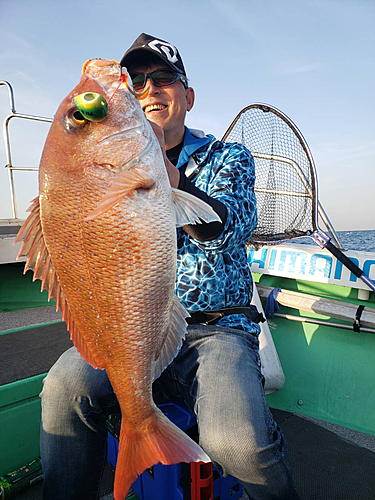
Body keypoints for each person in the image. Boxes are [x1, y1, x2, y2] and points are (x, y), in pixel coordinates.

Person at [40, 33, 300, 500]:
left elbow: (228, 226)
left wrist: (164, 175)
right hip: (128, 333)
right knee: (63, 389)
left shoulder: (228, 157)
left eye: (164, 79)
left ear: (188, 96)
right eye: (137, 82)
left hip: (218, 329)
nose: (150, 89)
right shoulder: (111, 168)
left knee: (238, 444)